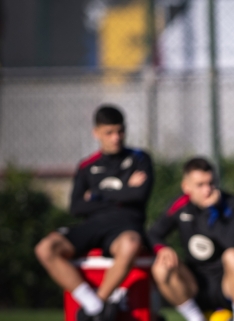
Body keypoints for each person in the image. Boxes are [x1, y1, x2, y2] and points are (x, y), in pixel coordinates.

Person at [34, 105, 154, 321]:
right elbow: (76, 207)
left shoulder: (140, 159)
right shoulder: (87, 166)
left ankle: (96, 304)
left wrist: (97, 196)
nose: (116, 138)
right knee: (45, 248)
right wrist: (122, 191)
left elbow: (139, 196)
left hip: (125, 226)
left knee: (131, 245)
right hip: (93, 227)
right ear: (96, 133)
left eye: (120, 131)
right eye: (109, 132)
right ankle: (96, 307)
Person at [148, 157, 234, 321]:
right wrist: (162, 248)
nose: (207, 190)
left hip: (227, 285)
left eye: (211, 183)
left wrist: (210, 211)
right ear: (186, 187)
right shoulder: (179, 205)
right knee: (160, 267)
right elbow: (153, 234)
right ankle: (195, 318)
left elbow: (231, 243)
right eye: (200, 185)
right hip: (195, 284)